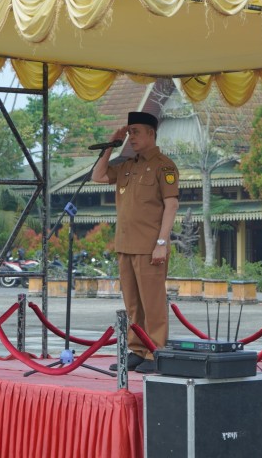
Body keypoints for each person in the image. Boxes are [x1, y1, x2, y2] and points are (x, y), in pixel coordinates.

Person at [92, 111, 179, 374]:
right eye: (130, 132)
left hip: (150, 246)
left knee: (152, 302)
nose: (132, 137)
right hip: (125, 245)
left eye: (137, 131)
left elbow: (172, 204)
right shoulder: (128, 165)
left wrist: (162, 242)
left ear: (151, 133)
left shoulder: (165, 166)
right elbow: (98, 176)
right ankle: (137, 349)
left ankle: (156, 350)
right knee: (132, 303)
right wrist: (110, 144)